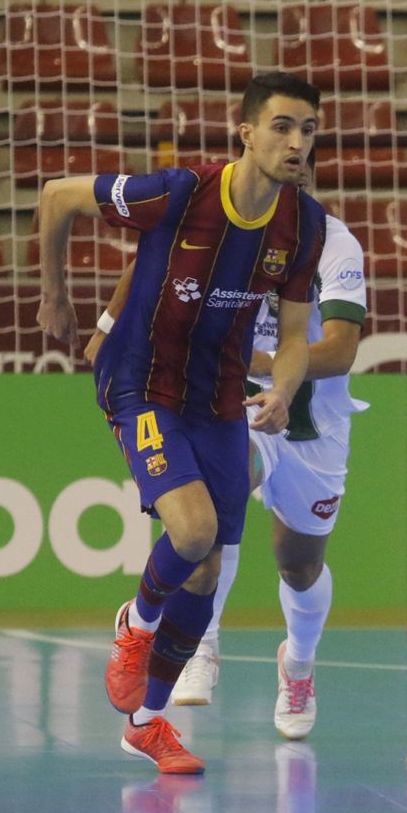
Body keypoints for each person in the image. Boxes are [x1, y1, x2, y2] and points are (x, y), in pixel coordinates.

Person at [37, 72, 328, 774]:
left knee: (204, 573)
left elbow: (293, 336)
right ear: (247, 132)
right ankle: (133, 625)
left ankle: (146, 722)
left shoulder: (303, 223)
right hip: (140, 381)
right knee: (191, 531)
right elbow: (56, 197)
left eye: (309, 130)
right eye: (283, 126)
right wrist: (57, 295)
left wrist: (284, 387)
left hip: (221, 396)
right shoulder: (180, 192)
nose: (297, 142)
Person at [84, 150, 369, 741]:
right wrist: (108, 327)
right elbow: (150, 264)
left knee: (300, 564)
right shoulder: (220, 213)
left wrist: (267, 363)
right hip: (228, 400)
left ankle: (299, 664)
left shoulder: (330, 242)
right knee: (215, 505)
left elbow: (341, 349)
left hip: (311, 426)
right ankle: (201, 645)